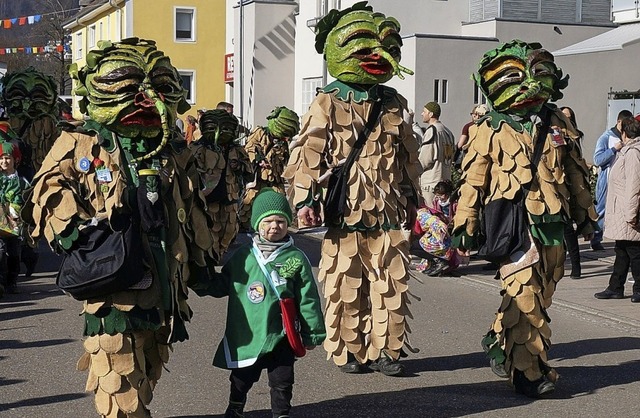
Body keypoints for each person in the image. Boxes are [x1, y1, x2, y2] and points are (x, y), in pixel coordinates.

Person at [22, 38, 215, 417]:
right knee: (115, 368)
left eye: (160, 89)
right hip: (109, 278)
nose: (148, 100)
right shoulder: (81, 141)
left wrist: (201, 262)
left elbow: (191, 209)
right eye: (127, 87)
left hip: (162, 279)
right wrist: (73, 228)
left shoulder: (174, 149)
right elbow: (47, 187)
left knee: (151, 361)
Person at [452, 40, 597, 398]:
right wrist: (465, 224)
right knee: (523, 291)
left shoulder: (558, 120)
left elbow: (575, 172)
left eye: (538, 76)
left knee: (540, 295)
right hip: (513, 222)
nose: (530, 86)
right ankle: (527, 372)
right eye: (514, 78)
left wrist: (585, 215)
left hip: (552, 222)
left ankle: (498, 338)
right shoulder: (489, 128)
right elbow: (474, 180)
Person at [284, 2, 421, 377]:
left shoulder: (393, 102)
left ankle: (387, 350)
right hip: (345, 209)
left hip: (389, 208)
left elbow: (407, 156)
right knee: (345, 278)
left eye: (386, 48)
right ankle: (351, 349)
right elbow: (308, 152)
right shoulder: (327, 100)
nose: (378, 56)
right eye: (364, 47)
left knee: (390, 280)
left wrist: (412, 198)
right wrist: (305, 199)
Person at [193, 189, 325, 418]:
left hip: (281, 334)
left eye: (281, 221)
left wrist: (312, 334)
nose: (275, 226)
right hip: (249, 334)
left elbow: (308, 298)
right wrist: (198, 280)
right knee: (241, 378)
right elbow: (223, 284)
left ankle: (281, 413)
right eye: (269, 221)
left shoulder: (296, 258)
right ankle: (235, 406)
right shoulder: (244, 257)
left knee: (282, 379)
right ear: (257, 224)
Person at [190, 109, 252, 263]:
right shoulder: (198, 148)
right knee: (208, 232)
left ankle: (218, 255)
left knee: (228, 231)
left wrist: (238, 166)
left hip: (229, 197)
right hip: (206, 200)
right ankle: (208, 261)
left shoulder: (236, 150)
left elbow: (249, 172)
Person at [594, 118, 640, 303]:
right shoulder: (627, 151)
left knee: (634, 252)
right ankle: (615, 287)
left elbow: (634, 186)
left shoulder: (633, 153)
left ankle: (637, 289)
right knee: (622, 250)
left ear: (625, 133)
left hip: (627, 211)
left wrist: (631, 214)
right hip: (621, 209)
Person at [239, 106, 299, 230]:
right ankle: (243, 226)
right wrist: (258, 159)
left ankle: (282, 224)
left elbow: (286, 157)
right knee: (249, 200)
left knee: (280, 200)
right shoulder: (260, 132)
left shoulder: (283, 142)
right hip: (258, 177)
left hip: (275, 177)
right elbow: (249, 147)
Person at [592, 109, 634, 250]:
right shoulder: (606, 138)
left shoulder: (629, 138)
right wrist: (613, 149)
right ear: (619, 122)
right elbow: (597, 160)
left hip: (622, 181)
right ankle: (595, 239)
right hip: (607, 181)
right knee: (602, 210)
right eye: (626, 124)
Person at [411, 180, 459, 276]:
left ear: (448, 194)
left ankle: (440, 260)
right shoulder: (436, 201)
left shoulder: (454, 204)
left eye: (441, 195)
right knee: (415, 246)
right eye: (437, 195)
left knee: (426, 245)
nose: (438, 197)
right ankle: (434, 260)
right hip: (437, 229)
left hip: (448, 231)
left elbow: (457, 218)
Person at [0, 141, 28, 295]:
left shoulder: (22, 182)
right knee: (0, 251)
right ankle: (1, 281)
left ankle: (12, 281)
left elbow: (29, 202)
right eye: (2, 158)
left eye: (8, 158)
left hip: (15, 224)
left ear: (15, 160)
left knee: (14, 253)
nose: (4, 161)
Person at [560, 106, 584, 278]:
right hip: (556, 185)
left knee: (569, 228)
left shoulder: (574, 137)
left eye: (569, 116)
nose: (567, 119)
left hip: (571, 186)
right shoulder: (552, 134)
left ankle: (576, 265)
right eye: (564, 116)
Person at [419, 101, 456, 204]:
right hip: (445, 181)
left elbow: (426, 158)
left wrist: (415, 170)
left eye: (424, 111)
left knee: (431, 216)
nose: (422, 114)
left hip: (432, 182)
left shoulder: (432, 131)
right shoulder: (448, 132)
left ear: (431, 114)